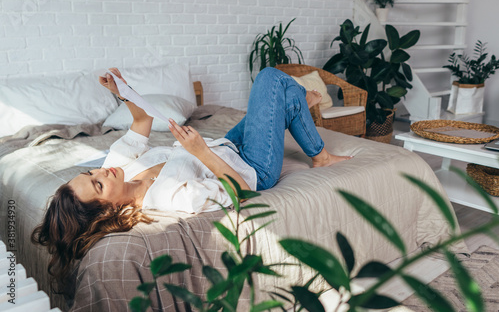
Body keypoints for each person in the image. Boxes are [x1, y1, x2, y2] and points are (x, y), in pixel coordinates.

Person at [31, 67, 352, 292]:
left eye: (90, 173)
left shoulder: (117, 168)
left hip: (226, 145)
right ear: (105, 211)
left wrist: (122, 91)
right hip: (253, 168)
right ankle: (310, 139)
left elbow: (143, 119)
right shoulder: (166, 198)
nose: (101, 171)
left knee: (282, 91)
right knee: (270, 79)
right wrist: (199, 151)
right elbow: (239, 192)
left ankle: (292, 108)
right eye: (98, 184)